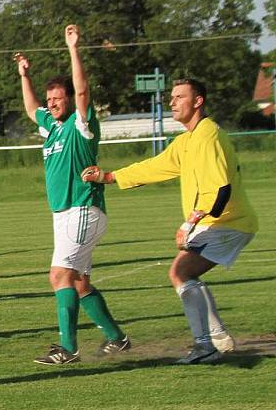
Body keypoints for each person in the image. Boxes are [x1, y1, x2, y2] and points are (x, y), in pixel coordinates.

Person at [82, 78, 258, 364]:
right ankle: (218, 337)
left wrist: (189, 223)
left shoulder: (207, 135)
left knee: (180, 272)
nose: (172, 102)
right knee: (186, 274)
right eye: (171, 97)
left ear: (198, 101)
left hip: (228, 221)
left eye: (179, 97)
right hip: (221, 222)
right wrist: (111, 177)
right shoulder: (187, 140)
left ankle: (206, 346)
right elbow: (156, 167)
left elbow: (220, 189)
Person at [15, 24, 129, 365]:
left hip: (83, 208)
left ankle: (68, 349)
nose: (51, 105)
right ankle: (117, 338)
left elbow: (82, 92)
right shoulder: (51, 126)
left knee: (59, 276)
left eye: (56, 99)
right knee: (78, 282)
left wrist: (73, 48)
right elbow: (30, 107)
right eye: (50, 100)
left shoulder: (81, 125)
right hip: (64, 213)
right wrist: (25, 75)